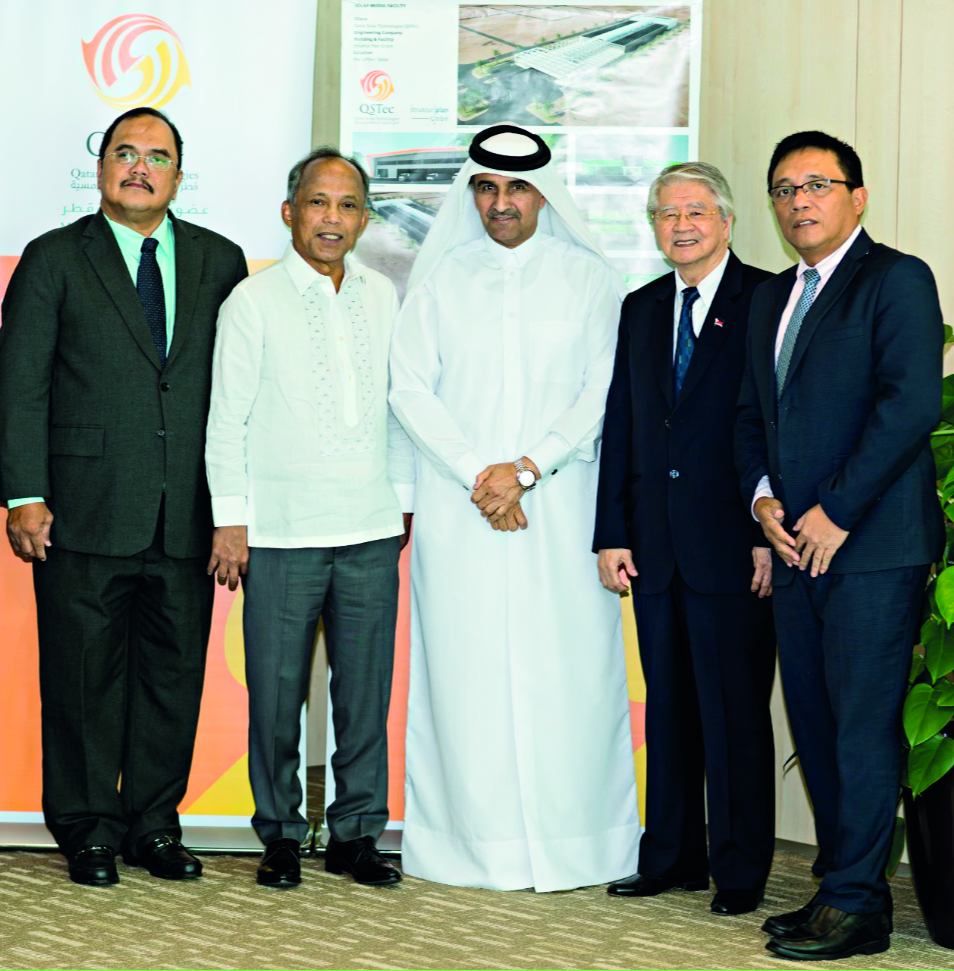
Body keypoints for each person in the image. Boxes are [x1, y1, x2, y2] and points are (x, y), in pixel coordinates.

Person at [389, 124, 641, 892]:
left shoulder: (590, 280)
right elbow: (409, 389)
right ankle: (468, 845)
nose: (503, 203)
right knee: (462, 674)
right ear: (473, 194)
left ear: (544, 193)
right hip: (460, 508)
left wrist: (528, 468)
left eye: (518, 188)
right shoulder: (441, 279)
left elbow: (604, 391)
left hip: (562, 510)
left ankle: (581, 844)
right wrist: (481, 474)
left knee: (569, 673)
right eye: (488, 189)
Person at [0, 107, 248, 886]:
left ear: (180, 173)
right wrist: (25, 492)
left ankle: (153, 825)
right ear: (101, 166)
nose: (140, 167)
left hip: (187, 515)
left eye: (158, 156)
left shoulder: (220, 260)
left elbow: (237, 394)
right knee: (80, 679)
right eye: (125, 153)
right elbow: (20, 386)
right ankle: (87, 828)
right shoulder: (52, 258)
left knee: (171, 680)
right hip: (79, 509)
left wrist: (234, 507)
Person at [735, 131, 943, 960]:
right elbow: (753, 416)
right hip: (792, 548)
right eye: (784, 188)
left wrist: (835, 511)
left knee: (860, 726)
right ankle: (841, 887)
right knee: (816, 725)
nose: (799, 202)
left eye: (817, 184)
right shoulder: (772, 296)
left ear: (857, 197)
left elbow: (910, 404)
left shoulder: (896, 278)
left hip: (870, 547)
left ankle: (858, 905)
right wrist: (764, 502)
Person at [205, 148, 413, 889]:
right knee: (276, 694)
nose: (332, 218)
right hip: (282, 532)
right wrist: (231, 520)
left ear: (363, 218)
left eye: (348, 205)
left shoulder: (383, 295)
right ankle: (282, 833)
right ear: (291, 211)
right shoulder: (251, 302)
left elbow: (398, 406)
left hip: (368, 526)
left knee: (365, 695)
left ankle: (357, 833)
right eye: (318, 203)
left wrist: (402, 498)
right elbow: (224, 420)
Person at [594, 162, 776, 916]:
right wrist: (611, 531)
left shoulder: (766, 297)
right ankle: (671, 855)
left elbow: (773, 423)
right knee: (668, 705)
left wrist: (771, 528)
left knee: (733, 713)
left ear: (727, 221)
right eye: (666, 213)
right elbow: (624, 422)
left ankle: (739, 872)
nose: (681, 224)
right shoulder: (640, 308)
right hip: (656, 548)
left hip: (739, 545)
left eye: (696, 210)